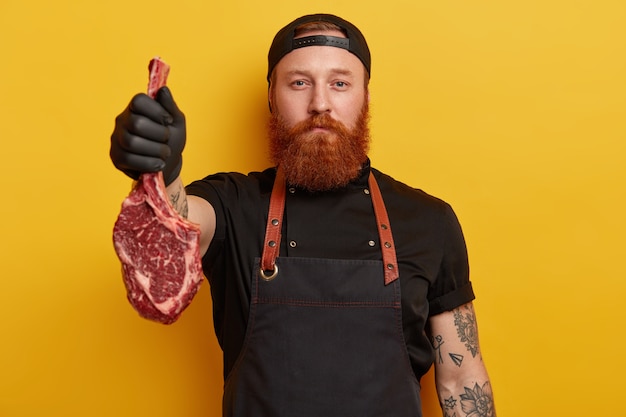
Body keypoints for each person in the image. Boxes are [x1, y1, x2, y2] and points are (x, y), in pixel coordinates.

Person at [110, 13, 497, 417]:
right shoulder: (233, 203)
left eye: (340, 83)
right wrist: (161, 173)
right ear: (272, 97)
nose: (320, 104)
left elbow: (461, 379)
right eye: (299, 82)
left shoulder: (428, 221)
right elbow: (179, 226)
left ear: (365, 95)